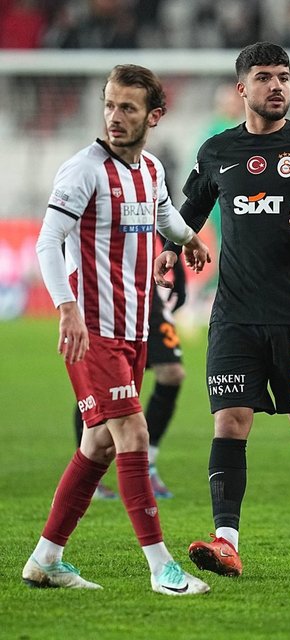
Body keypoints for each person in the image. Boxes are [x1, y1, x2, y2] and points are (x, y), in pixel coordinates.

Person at [154, 42, 290, 577]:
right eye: (265, 77)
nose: (277, 86)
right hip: (234, 314)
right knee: (230, 420)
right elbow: (190, 211)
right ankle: (226, 541)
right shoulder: (217, 151)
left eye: (284, 77)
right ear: (242, 88)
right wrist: (171, 249)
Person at [23, 63, 211, 596]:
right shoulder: (82, 171)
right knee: (133, 434)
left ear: (154, 116)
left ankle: (45, 559)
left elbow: (164, 215)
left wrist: (190, 239)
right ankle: (161, 568)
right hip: (93, 329)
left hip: (133, 327)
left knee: (98, 445)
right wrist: (66, 309)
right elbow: (47, 242)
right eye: (109, 105)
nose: (114, 116)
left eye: (127, 107)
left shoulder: (150, 169)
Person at [73, 250, 187, 499]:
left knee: (172, 373)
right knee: (100, 380)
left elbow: (166, 227)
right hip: (102, 286)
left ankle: (149, 462)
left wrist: (180, 275)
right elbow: (57, 238)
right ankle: (89, 472)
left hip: (145, 287)